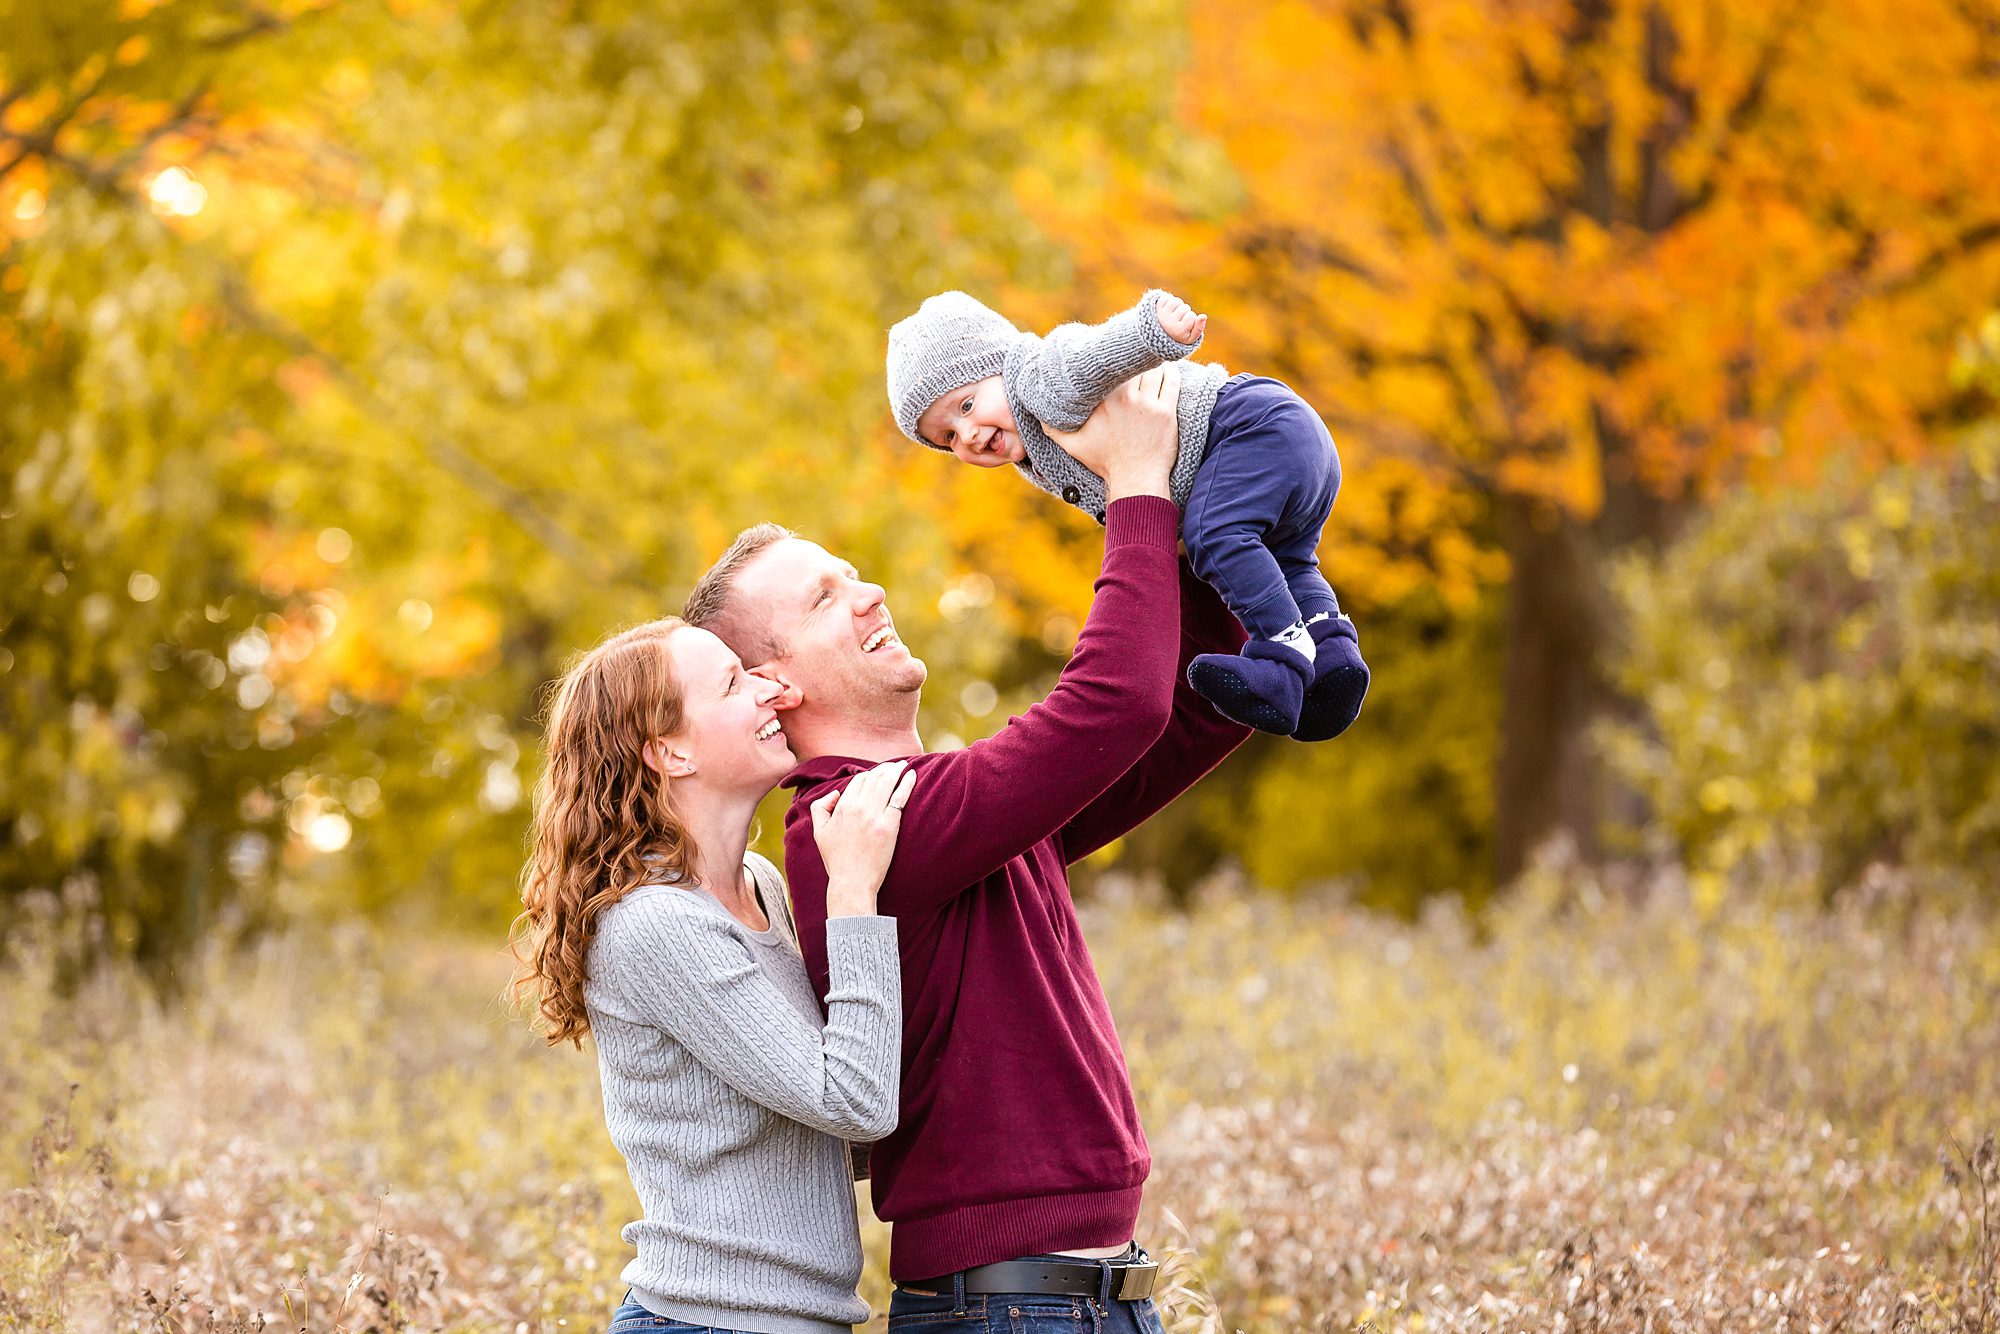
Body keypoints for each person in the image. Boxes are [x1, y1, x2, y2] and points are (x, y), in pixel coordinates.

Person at [681, 366, 1251, 1332]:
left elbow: (1200, 699)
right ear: (775, 684)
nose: (870, 594)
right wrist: (1131, 486)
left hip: (1073, 1301)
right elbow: (1115, 704)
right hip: (1013, 1309)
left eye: (854, 575)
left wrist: (1218, 500)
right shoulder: (854, 821)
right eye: (825, 598)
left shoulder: (948, 809)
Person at [509, 615, 916, 1334]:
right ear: (671, 752)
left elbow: (818, 1128)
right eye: (732, 683)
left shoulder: (761, 884)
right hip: (712, 1321)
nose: (767, 689)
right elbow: (853, 1102)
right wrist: (854, 893)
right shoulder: (655, 924)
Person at [885, 286, 1370, 741]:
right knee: (1287, 560)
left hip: (1247, 428)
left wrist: (1152, 329)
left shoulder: (1036, 378)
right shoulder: (1028, 442)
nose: (968, 434)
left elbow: (1092, 357)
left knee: (1214, 536)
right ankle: (1332, 657)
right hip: (1293, 439)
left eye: (967, 405)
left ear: (999, 362)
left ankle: (1281, 657)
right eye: (948, 437)